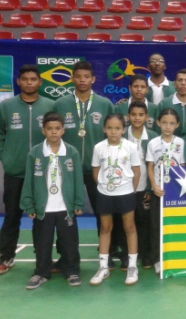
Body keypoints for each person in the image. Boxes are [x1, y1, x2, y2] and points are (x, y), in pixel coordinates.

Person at [53, 61, 117, 269]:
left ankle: (106, 252)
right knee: (64, 213)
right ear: (72, 78)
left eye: (86, 76)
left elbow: (112, 136)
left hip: (96, 169)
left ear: (93, 79)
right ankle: (66, 256)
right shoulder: (61, 104)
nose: (82, 80)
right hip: (67, 169)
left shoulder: (104, 103)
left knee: (103, 211)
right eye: (78, 76)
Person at [0, 64, 54, 274]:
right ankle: (6, 256)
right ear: (19, 82)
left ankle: (42, 259)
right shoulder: (6, 106)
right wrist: (6, 156)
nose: (29, 82)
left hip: (43, 173)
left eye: (33, 79)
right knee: (12, 216)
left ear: (40, 82)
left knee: (42, 218)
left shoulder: (50, 105)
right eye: (25, 79)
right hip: (15, 172)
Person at [20, 112, 84, 289]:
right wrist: (29, 204)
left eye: (57, 129)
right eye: (49, 129)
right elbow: (29, 181)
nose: (54, 132)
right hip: (43, 208)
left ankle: (71, 270)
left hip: (66, 207)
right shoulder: (35, 153)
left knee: (69, 242)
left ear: (63, 130)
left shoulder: (71, 152)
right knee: (42, 242)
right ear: (43, 131)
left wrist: (78, 203)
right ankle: (41, 272)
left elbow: (78, 179)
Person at [90, 113, 141, 286]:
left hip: (126, 193)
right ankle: (103, 267)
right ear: (104, 129)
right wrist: (104, 186)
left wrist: (130, 190)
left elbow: (136, 171)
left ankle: (133, 266)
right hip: (105, 194)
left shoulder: (131, 147)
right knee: (105, 228)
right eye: (110, 128)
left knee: (129, 227)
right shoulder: (98, 147)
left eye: (117, 128)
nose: (113, 132)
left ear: (123, 129)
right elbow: (96, 171)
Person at [146, 108, 184, 274]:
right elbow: (150, 167)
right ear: (158, 123)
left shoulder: (180, 143)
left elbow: (182, 167)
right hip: (158, 192)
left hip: (174, 193)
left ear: (177, 125)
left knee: (173, 226)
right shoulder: (153, 143)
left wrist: (178, 188)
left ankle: (173, 256)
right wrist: (154, 186)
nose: (168, 127)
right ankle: (157, 259)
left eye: (172, 123)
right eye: (164, 123)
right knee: (156, 227)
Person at [124, 101, 158, 269]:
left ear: (147, 117)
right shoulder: (122, 136)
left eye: (141, 115)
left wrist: (150, 188)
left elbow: (155, 165)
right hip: (124, 188)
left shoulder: (152, 137)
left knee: (144, 221)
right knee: (126, 222)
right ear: (128, 116)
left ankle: (145, 255)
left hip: (144, 187)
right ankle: (126, 255)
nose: (137, 118)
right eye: (133, 115)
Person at [157, 69, 186, 138]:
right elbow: (157, 129)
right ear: (174, 84)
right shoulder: (164, 104)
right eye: (180, 80)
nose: (183, 83)